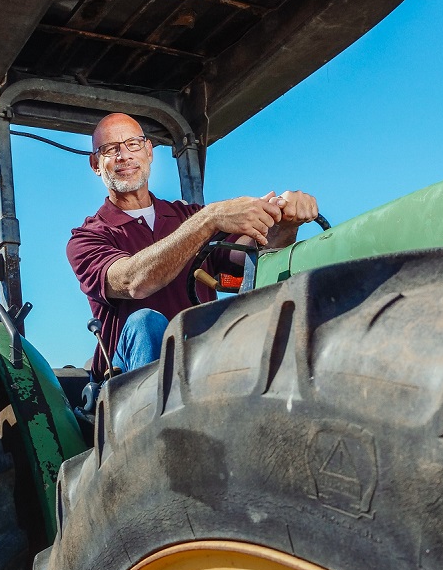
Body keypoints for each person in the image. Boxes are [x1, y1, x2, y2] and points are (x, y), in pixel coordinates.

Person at [67, 112, 318, 378]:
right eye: (110, 149)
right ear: (95, 163)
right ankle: (151, 415)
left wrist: (284, 222)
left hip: (200, 363)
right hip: (122, 379)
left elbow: (251, 259)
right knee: (146, 323)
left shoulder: (187, 217)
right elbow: (133, 282)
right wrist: (208, 219)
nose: (124, 156)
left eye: (133, 144)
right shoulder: (87, 238)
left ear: (149, 151)